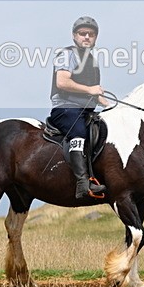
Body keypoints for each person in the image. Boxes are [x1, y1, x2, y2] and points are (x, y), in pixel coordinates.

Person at [50, 16, 109, 199]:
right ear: (74, 36)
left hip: (87, 110)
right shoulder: (67, 54)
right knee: (79, 133)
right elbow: (62, 82)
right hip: (66, 108)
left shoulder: (92, 61)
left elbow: (94, 94)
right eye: (82, 33)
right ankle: (83, 184)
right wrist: (90, 90)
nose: (86, 37)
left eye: (91, 34)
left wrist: (107, 103)